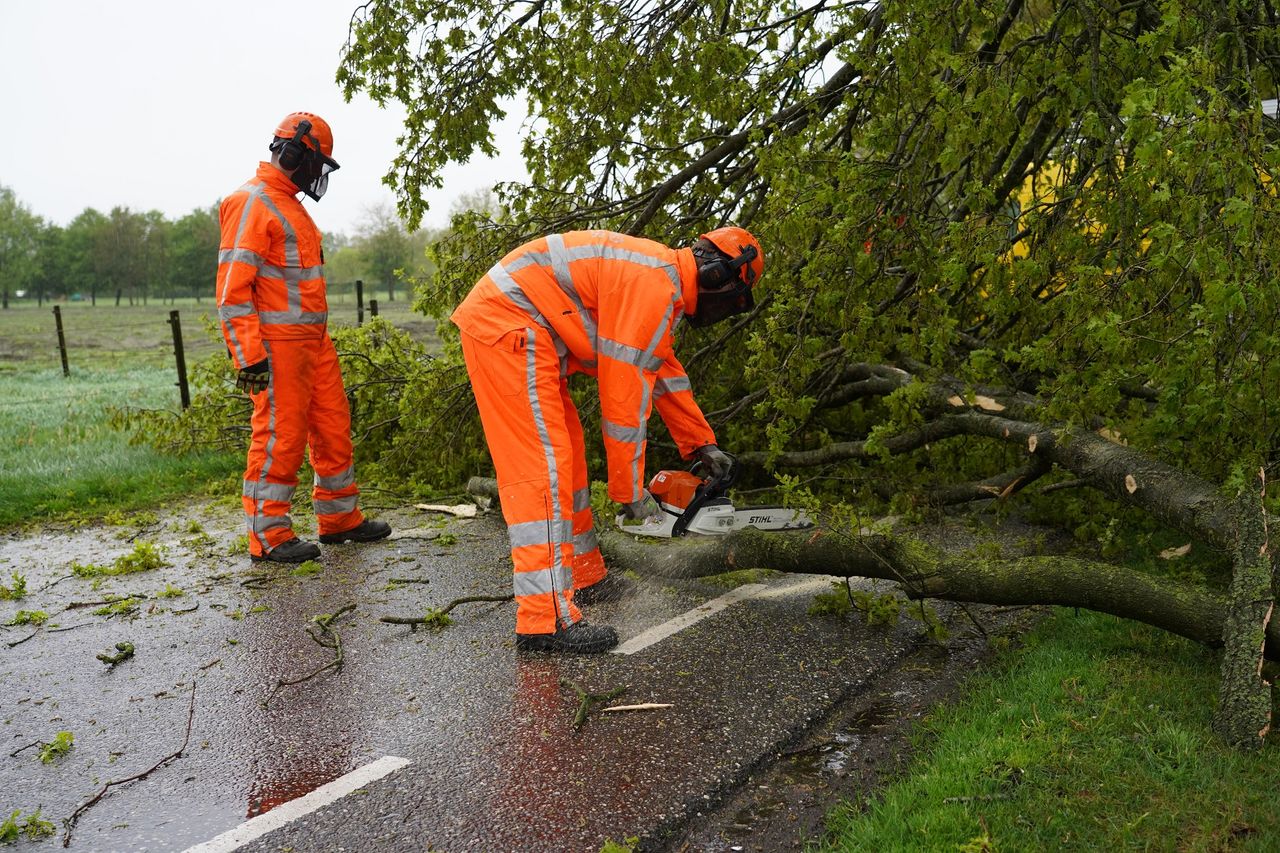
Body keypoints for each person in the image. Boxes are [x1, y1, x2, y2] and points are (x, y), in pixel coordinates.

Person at [451, 227, 764, 653]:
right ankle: (545, 619)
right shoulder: (654, 284)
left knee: (569, 457)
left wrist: (701, 445)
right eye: (735, 295)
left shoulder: (661, 283)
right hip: (510, 326)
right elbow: (624, 398)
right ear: (716, 275)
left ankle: (583, 576)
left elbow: (662, 371)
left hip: (524, 331)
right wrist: (629, 492)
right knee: (542, 469)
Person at [216, 111, 391, 563]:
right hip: (277, 347)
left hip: (314, 343)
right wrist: (248, 357)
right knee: (280, 438)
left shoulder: (291, 204)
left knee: (333, 429)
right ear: (296, 153)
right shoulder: (252, 202)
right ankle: (268, 535)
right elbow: (233, 292)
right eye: (319, 163)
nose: (319, 174)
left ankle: (339, 519)